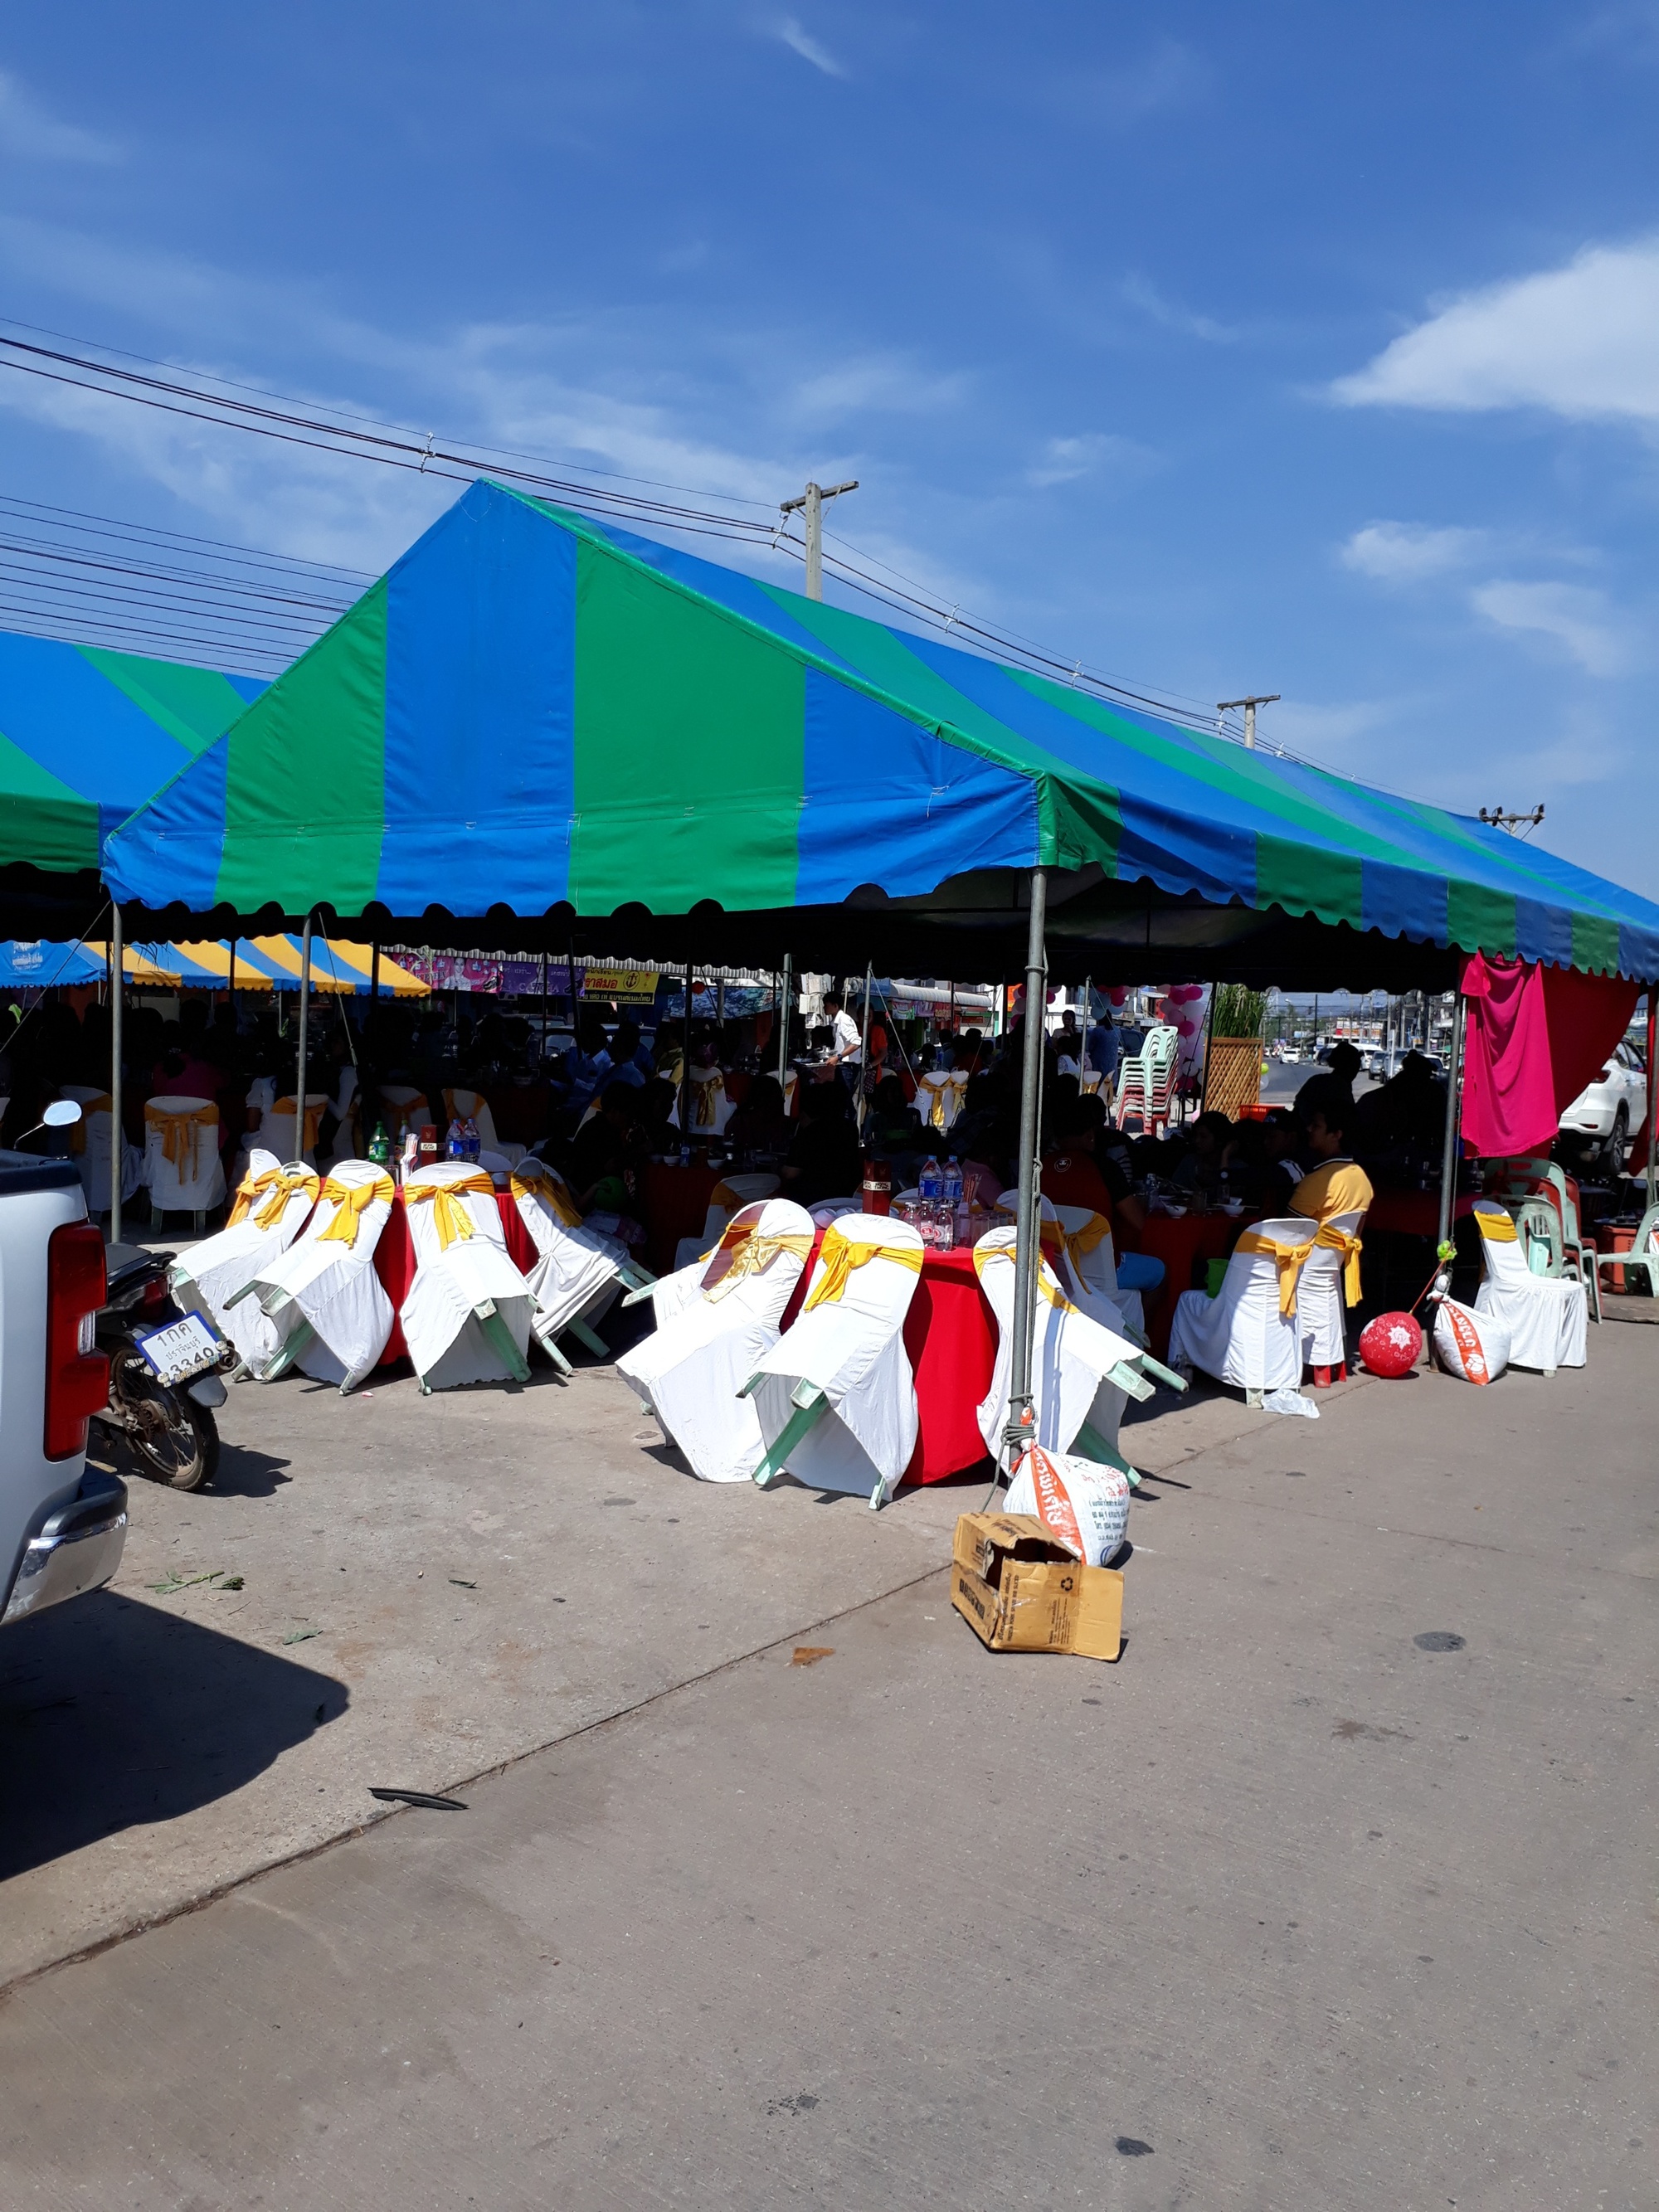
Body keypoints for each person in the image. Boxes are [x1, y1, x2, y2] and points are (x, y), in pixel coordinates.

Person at [1290, 1077, 1373, 1223]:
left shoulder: (1317, 1181)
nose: (1309, 1129)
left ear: (1336, 1135)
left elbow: (1286, 1231)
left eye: (1316, 1126)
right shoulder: (1362, 1179)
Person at [782, 1077, 862, 1206]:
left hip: (813, 1199)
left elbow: (790, 1173)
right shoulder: (850, 1128)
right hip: (846, 1194)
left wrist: (776, 1167)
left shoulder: (810, 1133)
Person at [822, 990, 862, 1072]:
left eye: (826, 1005)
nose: (824, 1007)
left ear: (835, 1006)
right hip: (842, 1064)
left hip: (848, 1065)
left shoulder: (844, 1020)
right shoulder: (836, 1022)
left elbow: (857, 1043)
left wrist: (838, 1057)